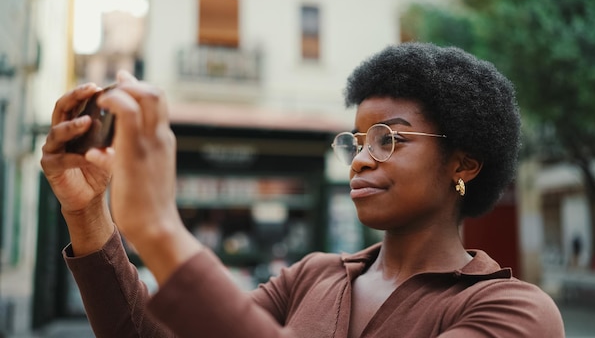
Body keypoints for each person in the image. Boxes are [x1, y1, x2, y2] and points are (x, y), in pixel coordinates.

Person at [41, 42, 565, 337]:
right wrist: (88, 213)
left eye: (389, 139)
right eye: (357, 140)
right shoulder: (311, 277)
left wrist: (160, 230)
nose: (360, 159)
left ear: (464, 163)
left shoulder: (512, 311)